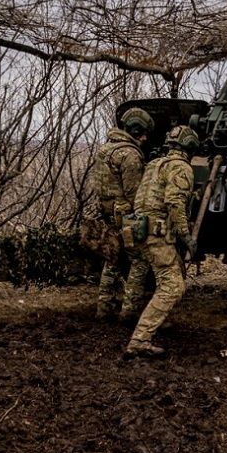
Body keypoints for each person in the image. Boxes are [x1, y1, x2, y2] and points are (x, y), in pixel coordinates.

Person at [122, 125, 200, 358]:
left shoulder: (155, 164)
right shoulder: (181, 167)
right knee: (172, 285)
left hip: (138, 231)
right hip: (157, 234)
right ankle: (140, 340)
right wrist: (185, 236)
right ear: (189, 146)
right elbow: (174, 203)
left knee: (174, 272)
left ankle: (155, 321)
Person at [90, 107, 153, 320]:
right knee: (140, 261)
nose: (145, 138)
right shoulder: (131, 155)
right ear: (135, 131)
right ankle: (130, 311)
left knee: (113, 259)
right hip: (126, 217)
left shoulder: (105, 149)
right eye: (143, 133)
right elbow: (135, 194)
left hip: (108, 214)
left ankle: (104, 308)